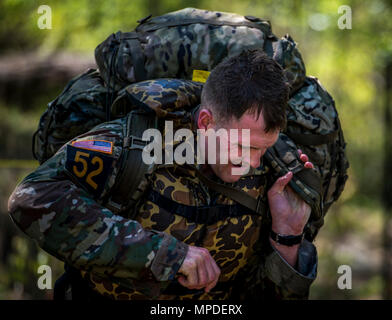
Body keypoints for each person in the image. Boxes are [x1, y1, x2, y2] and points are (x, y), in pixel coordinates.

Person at [8, 49, 317, 300]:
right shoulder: (134, 144)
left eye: (263, 148)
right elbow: (30, 198)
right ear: (206, 122)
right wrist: (164, 255)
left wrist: (287, 238)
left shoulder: (274, 174)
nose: (251, 162)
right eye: (241, 146)